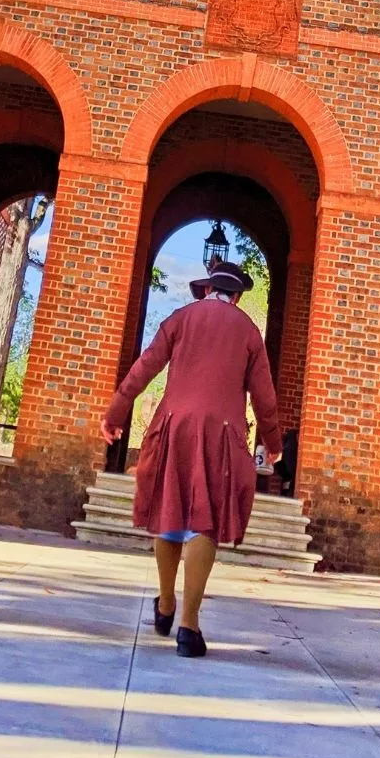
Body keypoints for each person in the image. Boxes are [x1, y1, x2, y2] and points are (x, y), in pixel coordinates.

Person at [101, 259, 281, 659]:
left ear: (206, 290)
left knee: (170, 511)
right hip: (222, 433)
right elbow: (264, 397)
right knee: (206, 520)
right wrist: (273, 441)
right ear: (236, 297)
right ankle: (189, 626)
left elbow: (143, 369)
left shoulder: (180, 319)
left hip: (173, 426)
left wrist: (115, 413)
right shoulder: (249, 332)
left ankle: (165, 606)